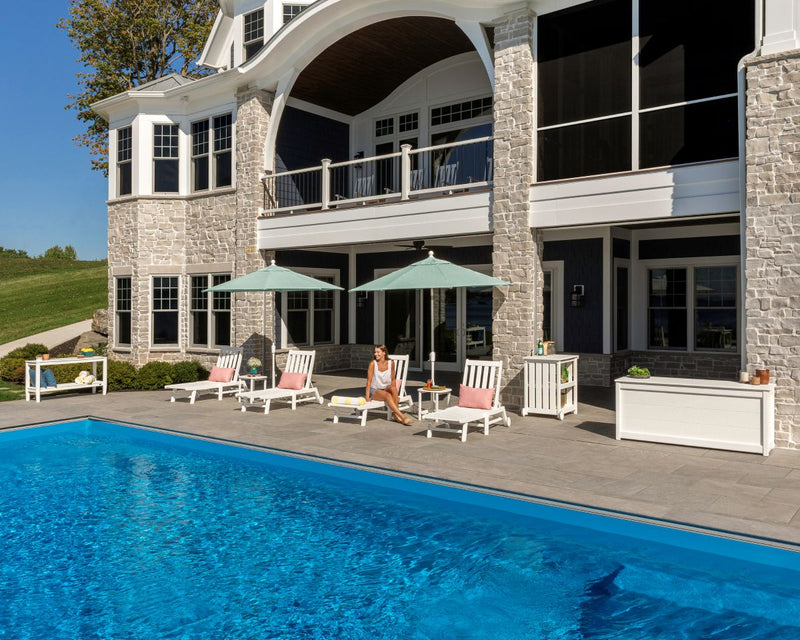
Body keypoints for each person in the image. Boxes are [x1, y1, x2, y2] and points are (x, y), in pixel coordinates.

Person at [366, 344, 413, 425]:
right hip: (375, 390)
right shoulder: (373, 364)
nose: (375, 354)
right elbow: (368, 382)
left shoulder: (391, 363)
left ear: (384, 352)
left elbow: (393, 379)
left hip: (386, 388)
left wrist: (395, 394)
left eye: (378, 352)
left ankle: (395, 414)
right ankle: (402, 417)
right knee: (387, 395)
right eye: (374, 352)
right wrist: (367, 398)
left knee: (393, 388)